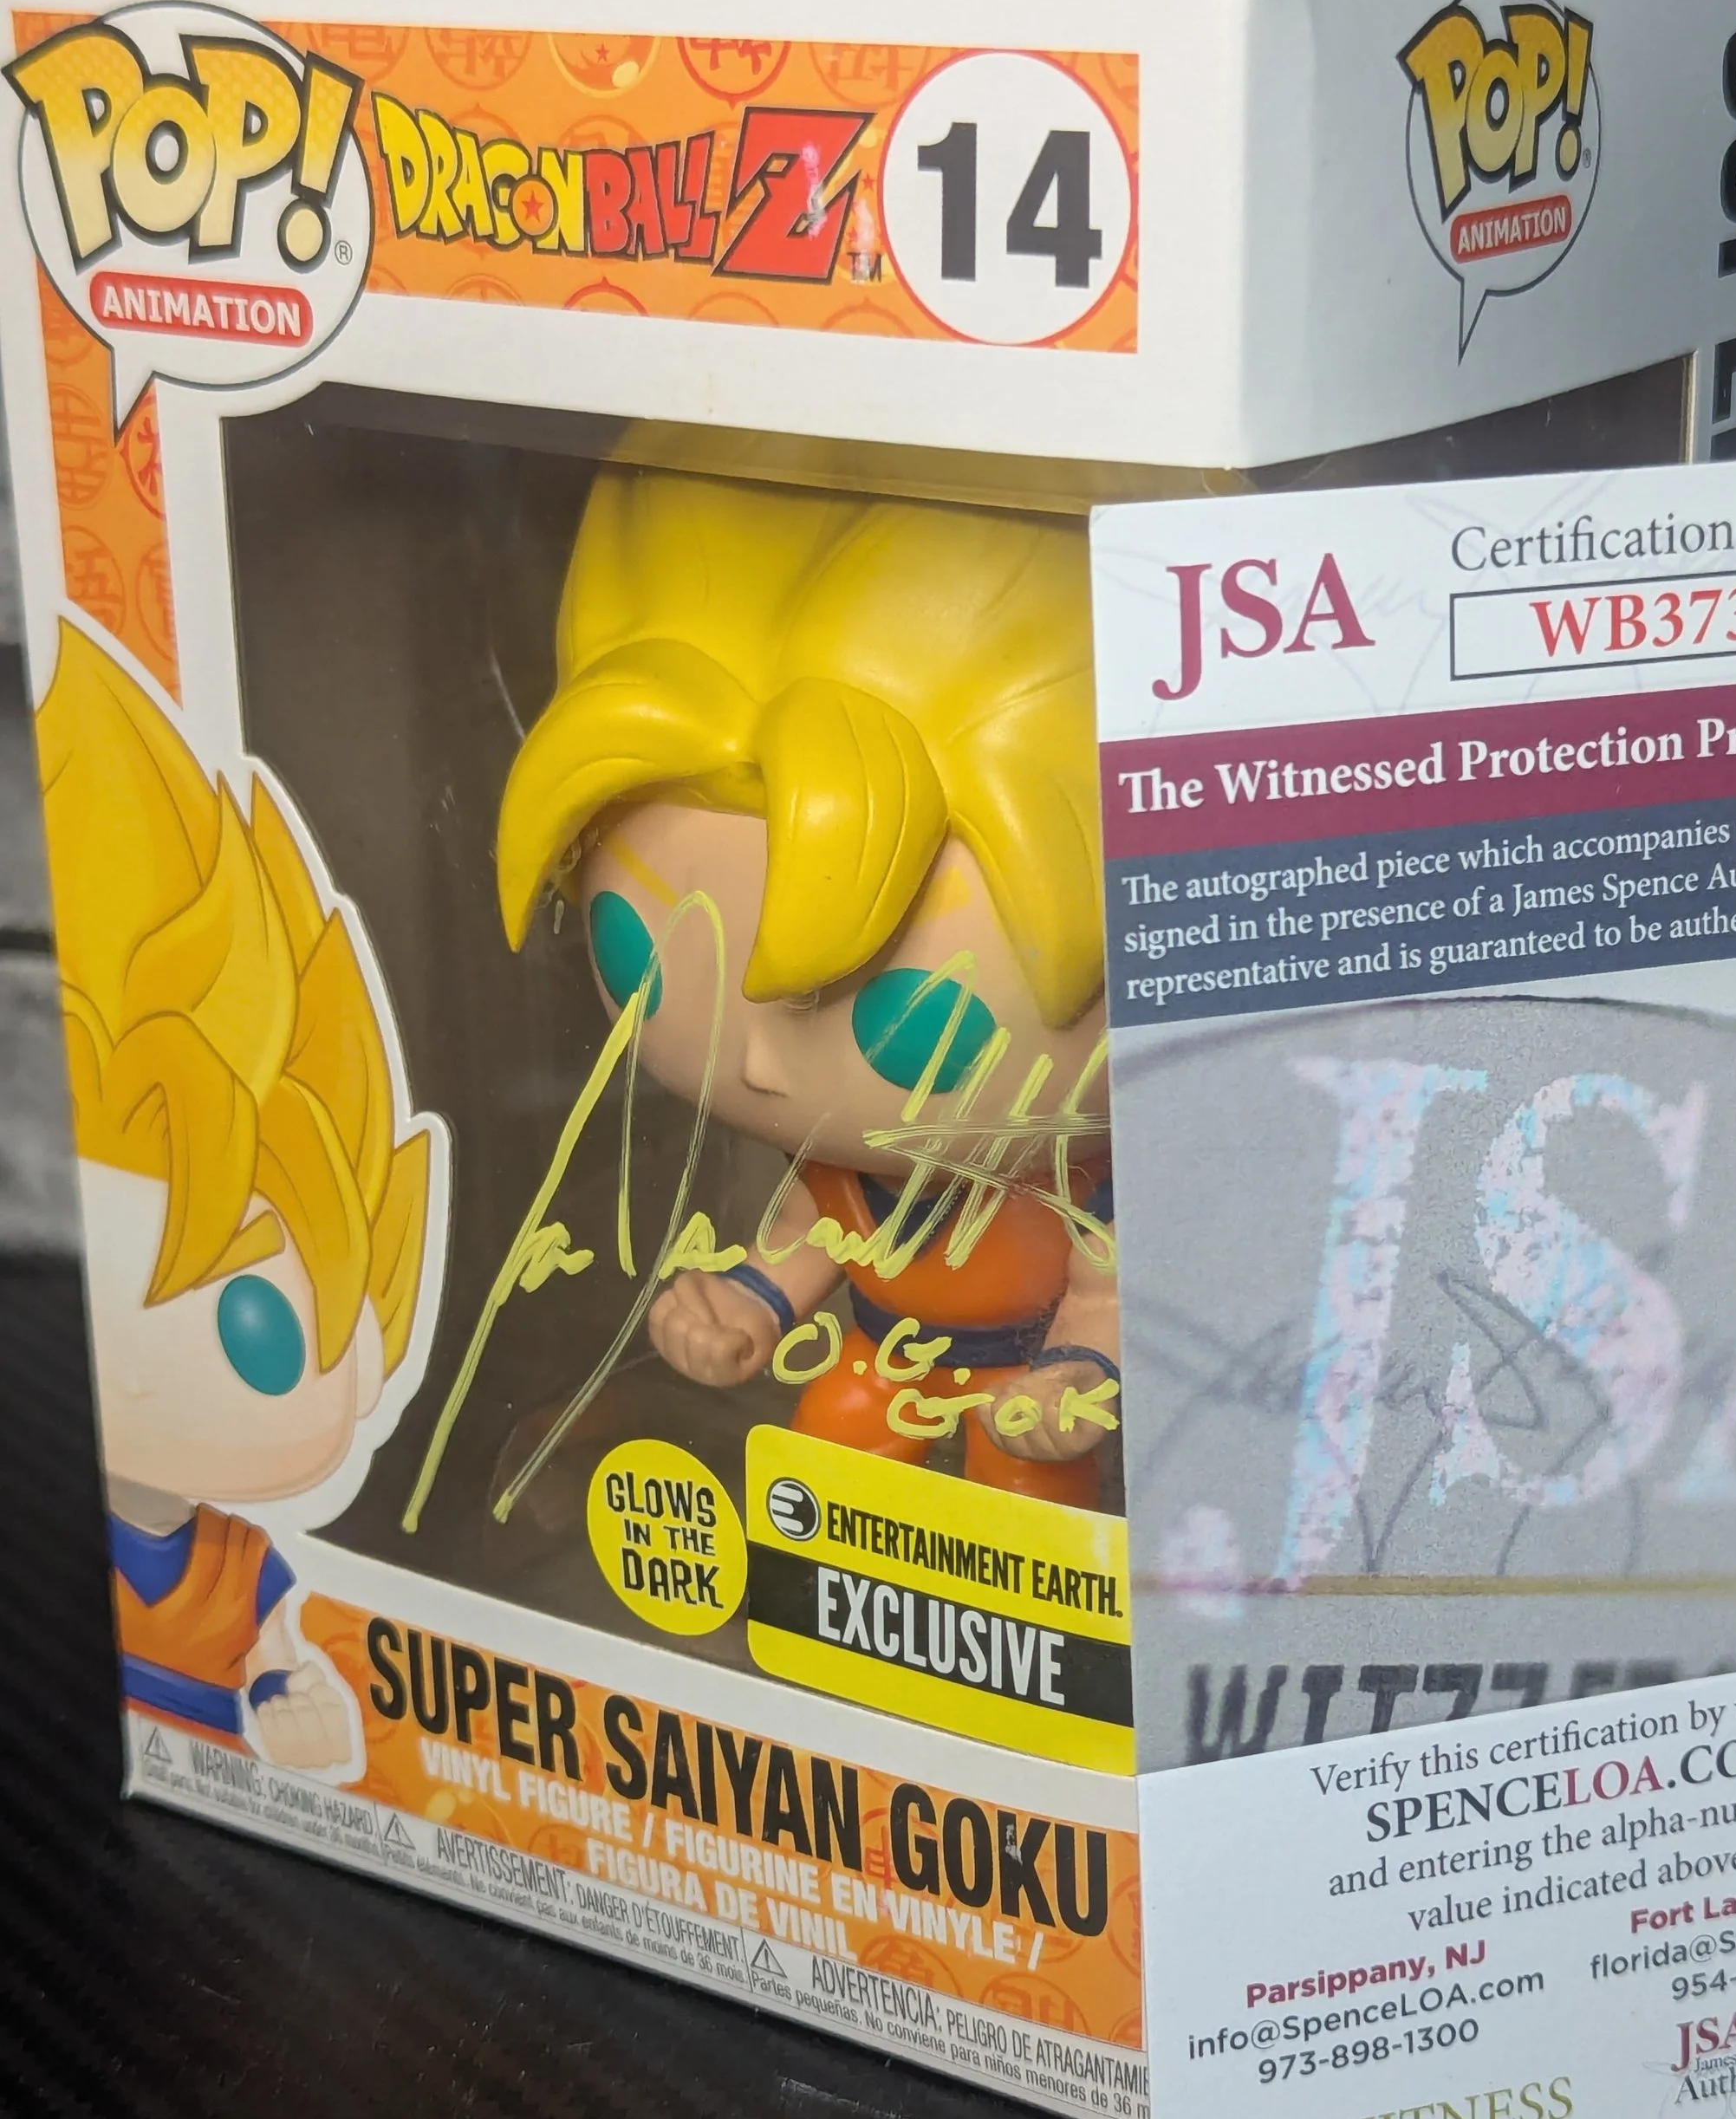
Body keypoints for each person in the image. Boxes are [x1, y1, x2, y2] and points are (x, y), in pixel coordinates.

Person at [494, 468, 1118, 1508]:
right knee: (824, 1475)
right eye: (636, 957)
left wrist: (1078, 1376)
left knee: (1030, 1506)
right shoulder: (833, 1171)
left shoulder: (1078, 1185)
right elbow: (797, 1248)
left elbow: (1105, 1301)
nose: (755, 1058)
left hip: (1017, 1387)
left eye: (915, 1023)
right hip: (872, 1363)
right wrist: (737, 1310)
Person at [42, 624, 431, 1770]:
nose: (139, 1373)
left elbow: (282, 1663)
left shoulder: (242, 1564)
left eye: (253, 1329)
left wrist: (298, 1702)